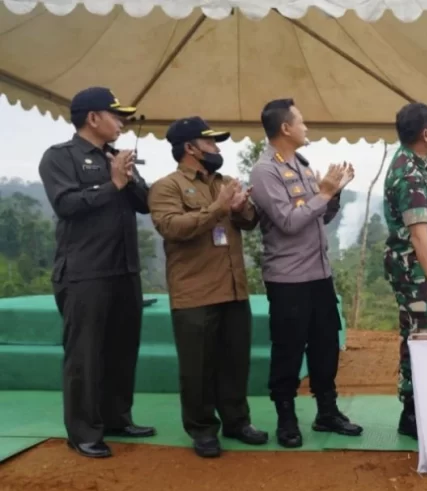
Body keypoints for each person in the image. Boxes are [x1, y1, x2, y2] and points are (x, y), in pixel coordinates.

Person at [38, 86, 156, 459]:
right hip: (85, 272)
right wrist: (113, 183)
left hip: (124, 269)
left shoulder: (116, 157)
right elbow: (67, 204)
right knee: (85, 355)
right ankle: (84, 432)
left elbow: (145, 204)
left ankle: (117, 418)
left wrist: (129, 176)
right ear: (93, 118)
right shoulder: (61, 157)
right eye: (115, 114)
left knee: (122, 348)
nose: (121, 122)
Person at [148, 117, 270, 458]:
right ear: (190, 148)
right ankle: (202, 428)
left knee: (234, 361)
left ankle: (237, 421)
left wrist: (242, 207)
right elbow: (173, 227)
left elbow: (248, 222)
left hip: (233, 289)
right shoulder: (166, 187)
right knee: (198, 367)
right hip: (195, 293)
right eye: (211, 143)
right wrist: (218, 208)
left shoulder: (226, 182)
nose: (218, 149)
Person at [249, 98, 363, 448]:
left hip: (319, 274)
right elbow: (287, 221)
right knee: (288, 347)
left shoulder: (301, 164)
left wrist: (334, 195)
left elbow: (318, 217)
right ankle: (286, 417)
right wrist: (324, 192)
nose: (306, 127)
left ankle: (326, 410)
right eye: (301, 122)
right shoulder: (265, 170)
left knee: (326, 343)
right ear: (285, 128)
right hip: (288, 279)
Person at [382, 102, 427, 440]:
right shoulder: (409, 173)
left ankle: (417, 410)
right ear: (426, 134)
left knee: (419, 338)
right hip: (418, 276)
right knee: (423, 340)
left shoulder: (413, 164)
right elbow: (419, 235)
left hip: (417, 274)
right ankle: (414, 414)